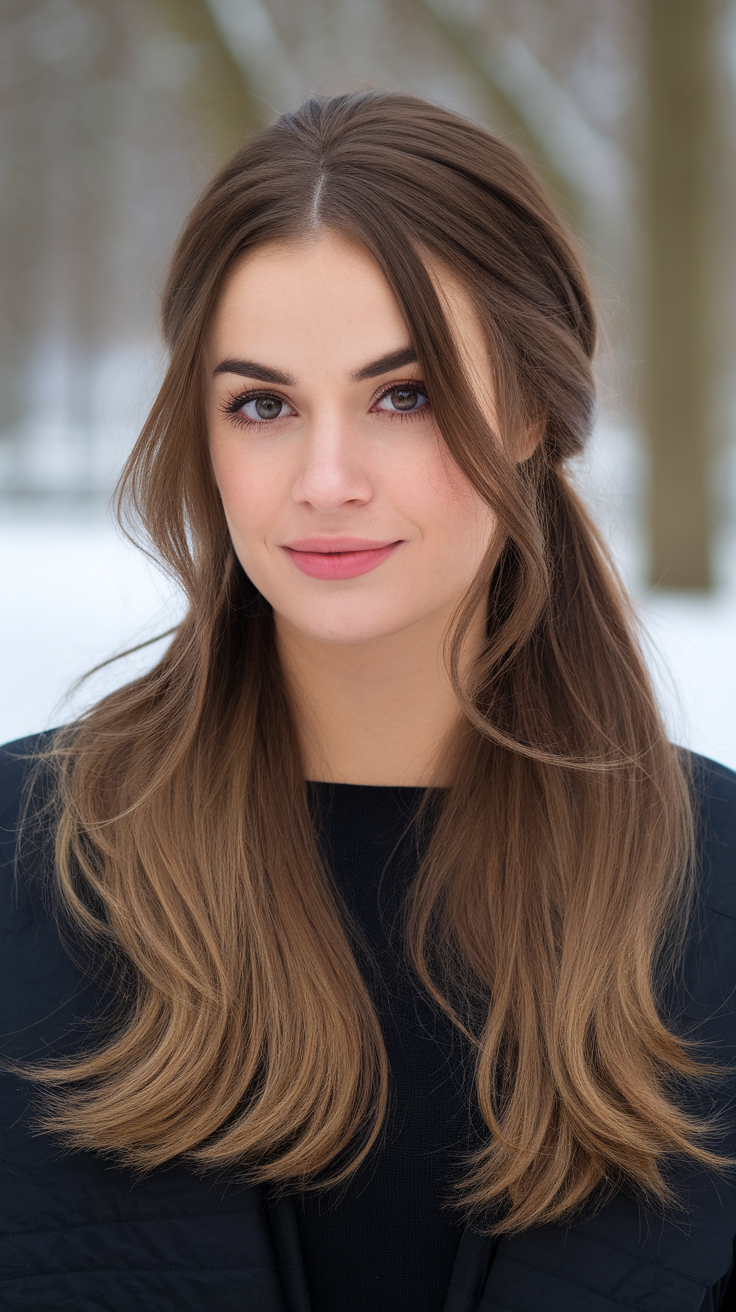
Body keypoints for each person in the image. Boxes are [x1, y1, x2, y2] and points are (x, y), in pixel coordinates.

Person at [1, 90, 735, 1312]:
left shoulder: (716, 890)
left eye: (405, 394)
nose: (325, 479)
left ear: (534, 410)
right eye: (263, 405)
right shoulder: (24, 855)